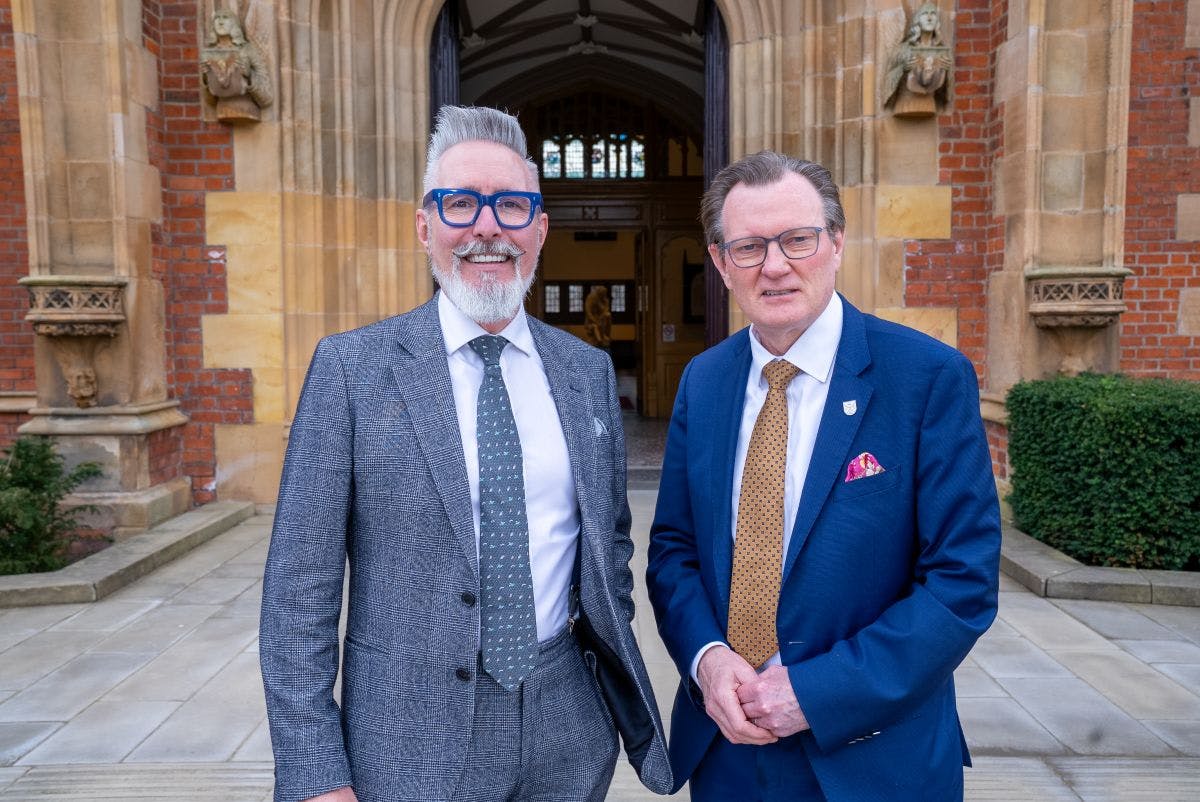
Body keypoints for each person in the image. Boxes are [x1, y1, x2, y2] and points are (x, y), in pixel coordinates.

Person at [260, 105, 671, 802]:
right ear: (426, 226)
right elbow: (298, 594)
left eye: (511, 206)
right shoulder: (353, 370)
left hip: (566, 724)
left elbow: (609, 545)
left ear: (539, 228)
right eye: (461, 204)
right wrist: (315, 774)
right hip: (407, 737)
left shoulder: (585, 372)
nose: (487, 227)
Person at [646, 151, 1001, 801]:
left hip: (872, 759)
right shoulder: (705, 381)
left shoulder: (925, 379)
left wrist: (814, 693)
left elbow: (961, 584)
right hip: (728, 751)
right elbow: (674, 552)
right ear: (722, 263)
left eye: (797, 240)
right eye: (749, 246)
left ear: (836, 243)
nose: (775, 266)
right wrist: (706, 659)